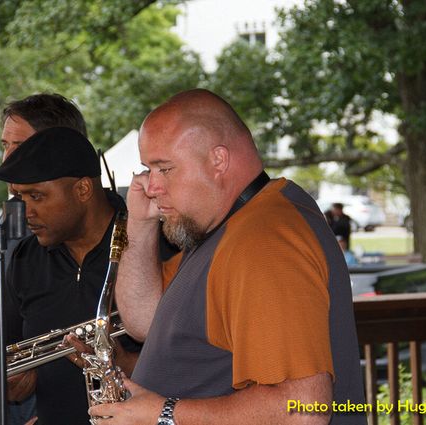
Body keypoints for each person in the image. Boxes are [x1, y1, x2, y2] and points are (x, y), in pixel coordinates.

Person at [88, 89, 365, 424]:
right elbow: (146, 320)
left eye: (164, 169)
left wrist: (164, 414)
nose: (151, 185)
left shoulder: (264, 240)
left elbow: (302, 411)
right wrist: (140, 223)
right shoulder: (224, 227)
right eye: (148, 169)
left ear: (218, 160)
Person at [0, 126, 140, 425]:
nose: (26, 211)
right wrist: (14, 384)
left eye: (37, 196)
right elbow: (10, 360)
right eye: (21, 197)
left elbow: (199, 364)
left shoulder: (150, 245)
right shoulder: (24, 259)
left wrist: (126, 363)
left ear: (83, 189)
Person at [0, 93, 88, 425]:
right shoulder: (9, 220)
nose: (7, 159)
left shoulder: (60, 230)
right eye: (5, 145)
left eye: (20, 147)